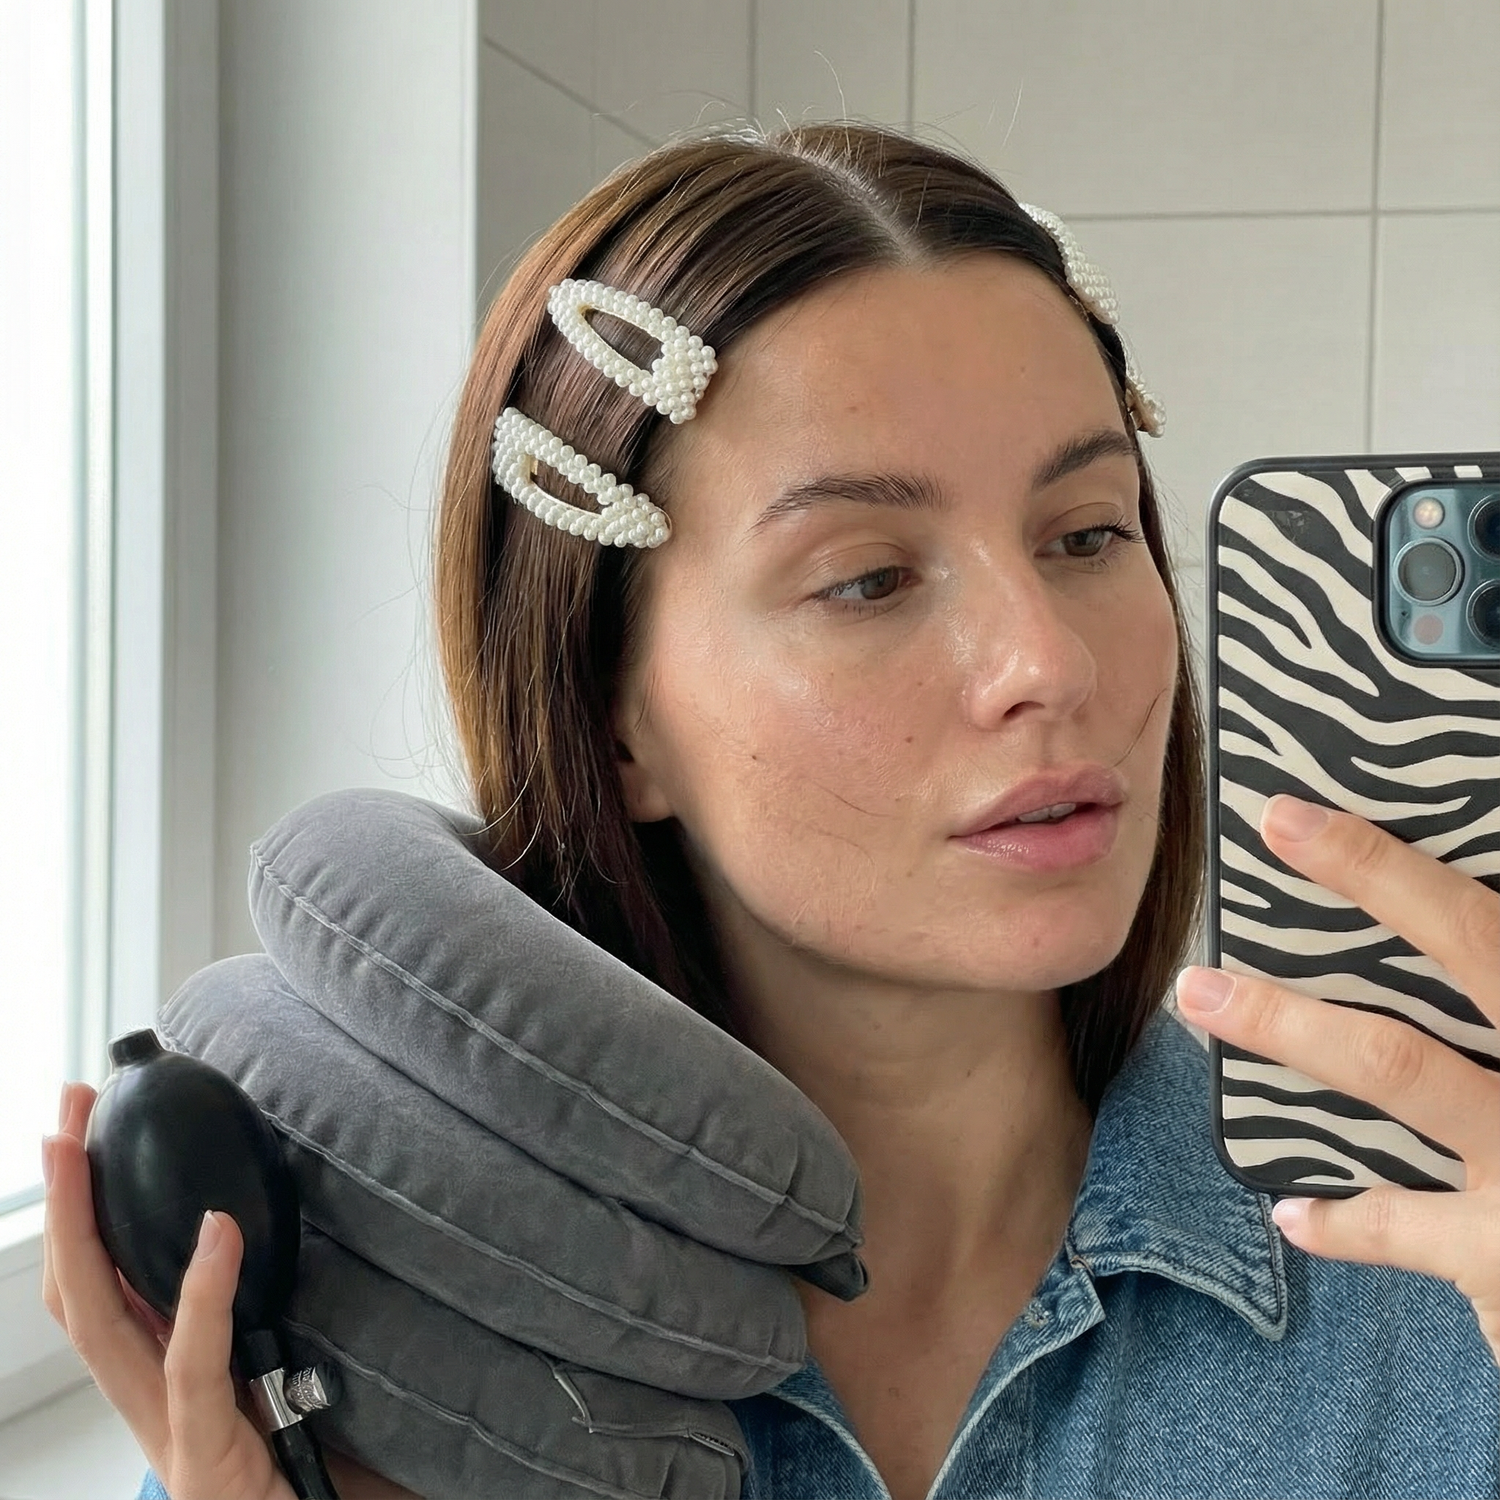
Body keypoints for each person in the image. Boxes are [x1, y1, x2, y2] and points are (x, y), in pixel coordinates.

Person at [40, 122, 1499, 1500]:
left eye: (1087, 534)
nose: (1048, 662)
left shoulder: (1441, 1274)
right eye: (868, 578)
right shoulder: (362, 1366)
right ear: (615, 717)